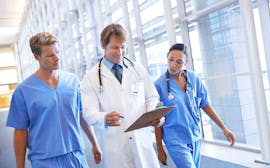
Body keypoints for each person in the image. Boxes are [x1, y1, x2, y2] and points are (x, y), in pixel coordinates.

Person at [6, 32, 102, 168]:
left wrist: (94, 143)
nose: (57, 58)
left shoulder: (73, 82)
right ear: (36, 57)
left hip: (75, 155)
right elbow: (21, 132)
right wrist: (20, 166)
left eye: (57, 52)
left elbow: (81, 115)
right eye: (50, 55)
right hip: (44, 160)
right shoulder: (24, 91)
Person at [81, 23, 163, 168]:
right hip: (115, 147)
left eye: (123, 47)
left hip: (141, 141)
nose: (120, 52)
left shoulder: (137, 68)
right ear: (103, 45)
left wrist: (153, 113)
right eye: (114, 47)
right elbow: (88, 113)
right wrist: (104, 118)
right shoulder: (91, 78)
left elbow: (152, 97)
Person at [154, 43, 236, 168]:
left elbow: (205, 104)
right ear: (167, 57)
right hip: (175, 140)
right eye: (171, 60)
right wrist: (160, 148)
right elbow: (157, 119)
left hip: (195, 136)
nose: (173, 65)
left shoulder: (193, 78)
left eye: (179, 62)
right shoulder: (159, 85)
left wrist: (224, 128)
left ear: (186, 62)